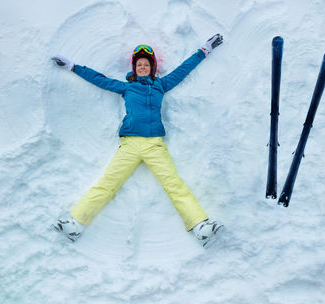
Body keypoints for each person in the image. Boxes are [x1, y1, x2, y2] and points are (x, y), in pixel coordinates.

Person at [51, 34, 224, 248]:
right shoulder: (127, 87)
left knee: (174, 184)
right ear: (134, 68)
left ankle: (200, 226)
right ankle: (75, 223)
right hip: (130, 145)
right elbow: (99, 79)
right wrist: (72, 67)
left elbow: (182, 70)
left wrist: (204, 51)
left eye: (146, 64)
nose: (142, 67)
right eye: (139, 64)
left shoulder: (161, 85)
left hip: (154, 145)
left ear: (153, 67)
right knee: (107, 184)